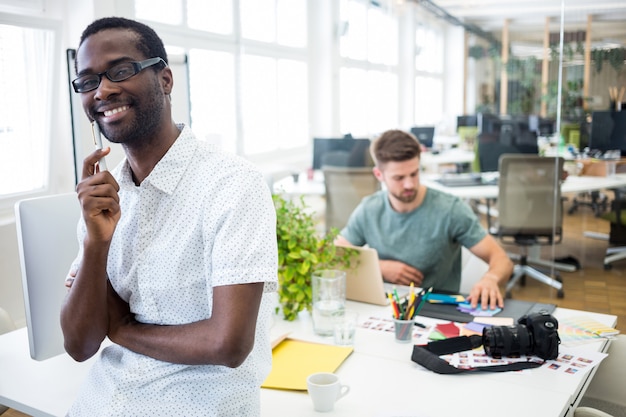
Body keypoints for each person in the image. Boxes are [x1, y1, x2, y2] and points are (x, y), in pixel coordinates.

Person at [60, 17, 278, 416]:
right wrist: (96, 244)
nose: (103, 90)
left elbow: (226, 344)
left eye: (121, 71)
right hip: (99, 402)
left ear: (164, 79)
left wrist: (122, 327)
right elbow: (79, 345)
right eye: (88, 81)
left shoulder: (233, 186)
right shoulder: (104, 195)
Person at [335, 129, 513, 310]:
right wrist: (380, 267)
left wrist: (491, 279)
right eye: (399, 178)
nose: (410, 184)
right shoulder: (369, 209)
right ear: (379, 175)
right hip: (386, 309)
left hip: (436, 311)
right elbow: (336, 255)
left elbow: (502, 260)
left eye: (414, 173)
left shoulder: (450, 209)